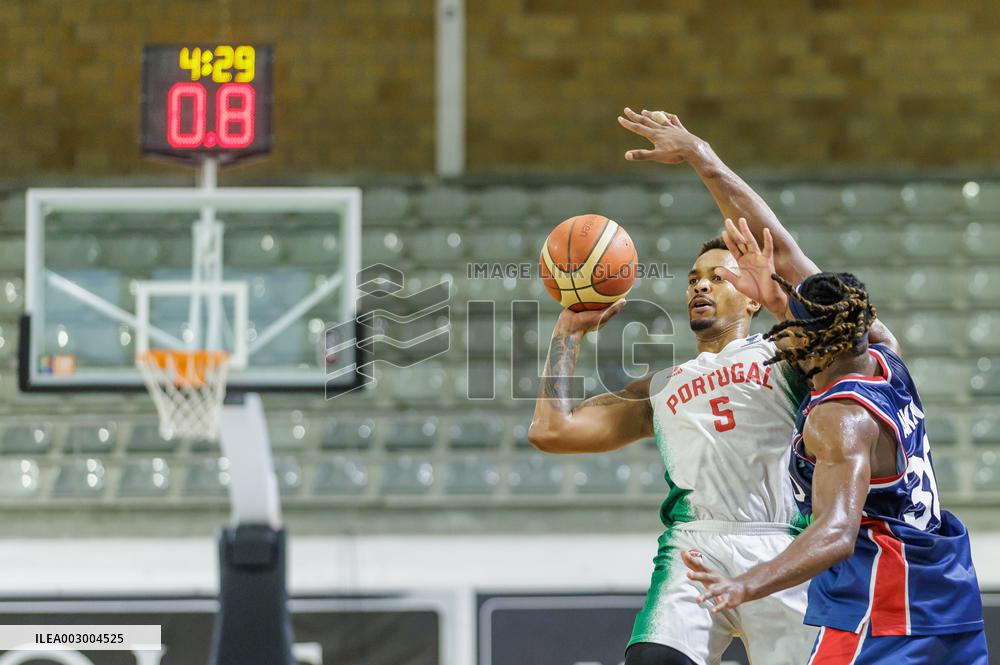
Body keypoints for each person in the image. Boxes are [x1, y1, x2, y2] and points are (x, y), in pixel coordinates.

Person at [528, 108, 891, 665]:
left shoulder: (792, 353)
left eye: (717, 277)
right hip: (693, 545)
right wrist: (568, 331)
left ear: (752, 293)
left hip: (785, 544)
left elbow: (816, 286)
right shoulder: (663, 385)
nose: (699, 286)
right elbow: (552, 430)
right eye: (692, 280)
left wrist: (703, 157)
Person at [679, 222, 988, 664]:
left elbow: (836, 534)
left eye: (787, 321)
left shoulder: (837, 418)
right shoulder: (887, 361)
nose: (779, 323)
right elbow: (807, 282)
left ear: (806, 340)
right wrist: (772, 295)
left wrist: (745, 584)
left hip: (881, 610)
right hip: (947, 596)